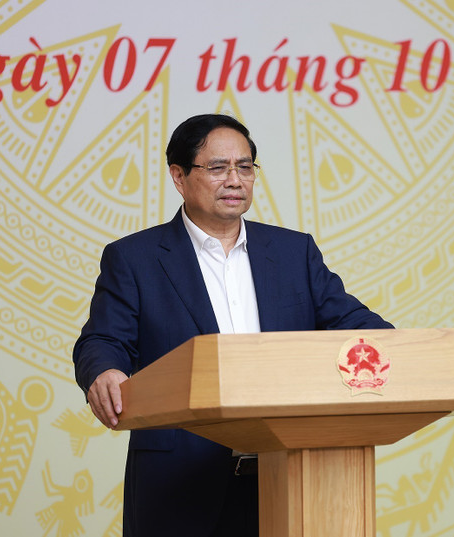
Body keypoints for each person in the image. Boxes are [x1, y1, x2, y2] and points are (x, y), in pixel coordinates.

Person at [72, 114, 393, 537]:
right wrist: (104, 371)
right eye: (218, 168)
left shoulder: (294, 252)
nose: (235, 180)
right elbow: (102, 339)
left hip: (291, 472)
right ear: (179, 176)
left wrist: (397, 352)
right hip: (180, 481)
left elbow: (357, 325)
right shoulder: (135, 258)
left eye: (245, 167)